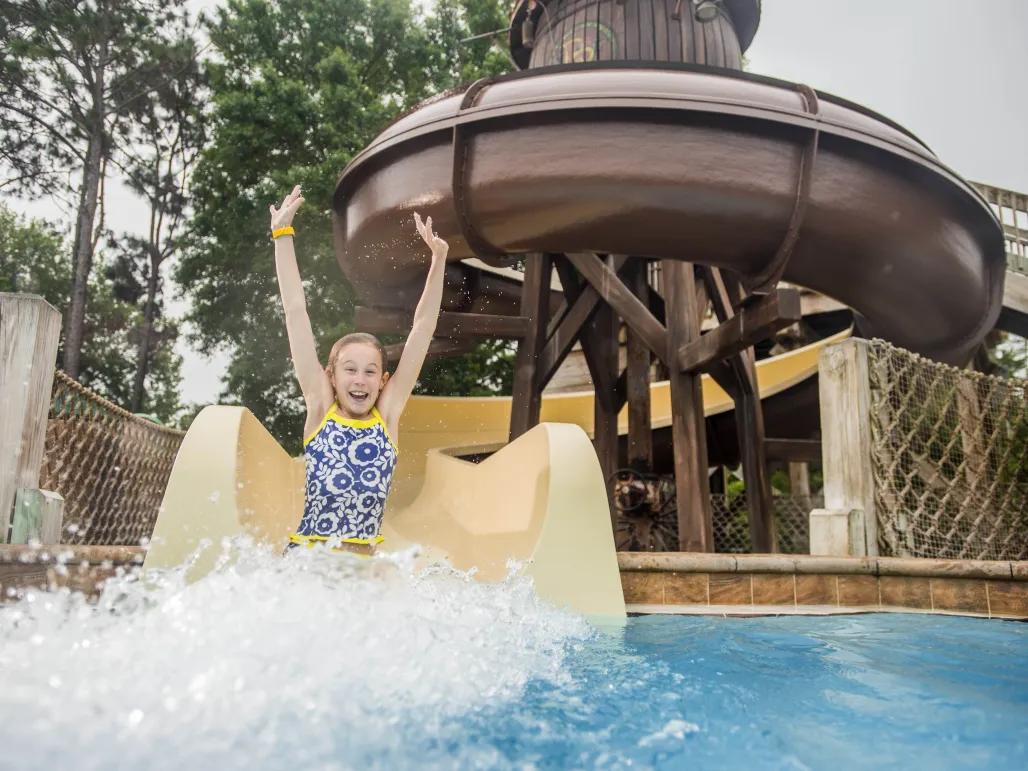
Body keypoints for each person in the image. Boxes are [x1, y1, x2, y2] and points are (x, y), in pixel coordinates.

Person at [269, 184, 447, 555]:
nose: (360, 380)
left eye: (370, 372)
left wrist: (439, 259)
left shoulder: (388, 416)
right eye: (350, 369)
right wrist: (282, 235)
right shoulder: (321, 408)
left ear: (383, 381)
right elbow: (295, 313)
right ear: (331, 377)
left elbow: (422, 329)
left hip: (362, 568)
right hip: (307, 563)